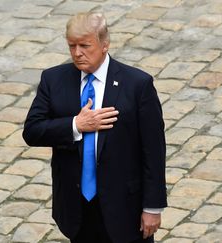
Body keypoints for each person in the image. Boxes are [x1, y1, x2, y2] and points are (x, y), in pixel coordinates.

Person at [23, 12, 167, 243]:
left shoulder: (137, 85)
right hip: (77, 207)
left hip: (125, 208)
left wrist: (153, 207)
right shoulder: (54, 80)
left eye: (85, 45)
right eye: (72, 46)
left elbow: (153, 150)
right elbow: (32, 130)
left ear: (104, 45)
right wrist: (75, 125)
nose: (77, 53)